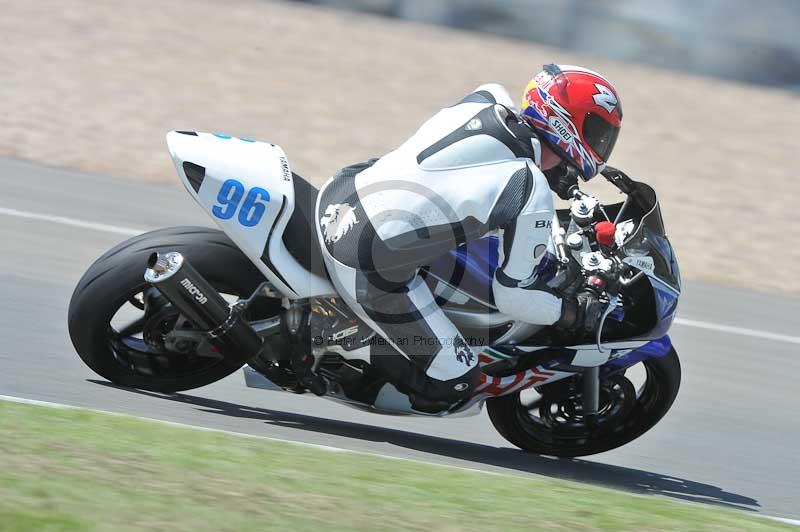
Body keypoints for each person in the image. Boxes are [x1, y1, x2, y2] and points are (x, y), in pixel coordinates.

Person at [315, 64, 623, 413]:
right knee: (457, 383)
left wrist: (554, 174)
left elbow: (477, 162)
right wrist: (571, 312)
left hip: (340, 195)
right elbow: (511, 296)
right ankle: (337, 340)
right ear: (566, 122)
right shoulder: (529, 186)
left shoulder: (487, 98)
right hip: (363, 256)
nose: (599, 144)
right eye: (596, 131)